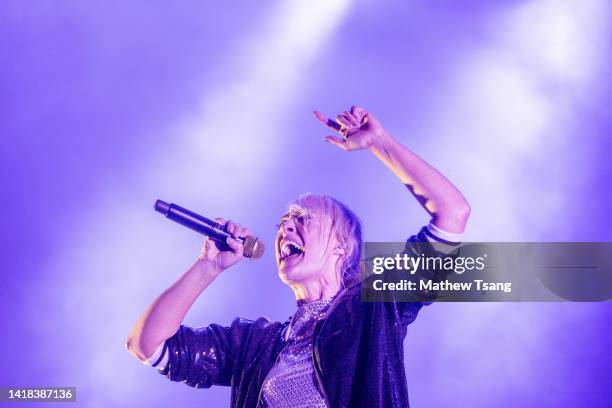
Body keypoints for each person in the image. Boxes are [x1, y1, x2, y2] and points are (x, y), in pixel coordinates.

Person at [126, 105, 470, 407]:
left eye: (303, 220)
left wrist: (381, 143)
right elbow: (146, 344)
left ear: (342, 246)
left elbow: (453, 214)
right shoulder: (255, 344)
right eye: (283, 223)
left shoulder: (375, 309)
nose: (285, 230)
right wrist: (207, 267)